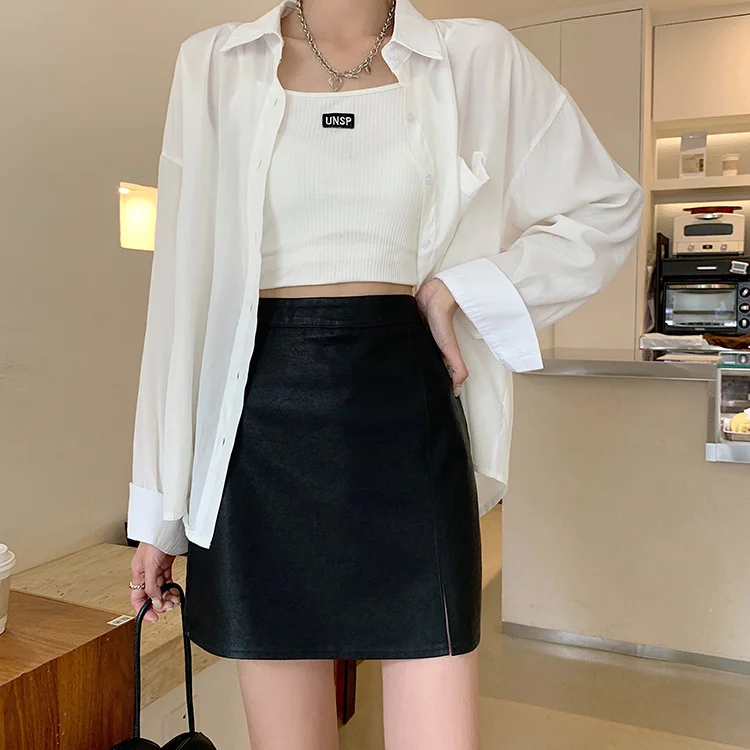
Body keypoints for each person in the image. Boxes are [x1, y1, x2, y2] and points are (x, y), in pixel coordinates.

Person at [125, 0, 644, 747]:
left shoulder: (478, 59)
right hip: (252, 429)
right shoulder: (213, 62)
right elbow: (181, 289)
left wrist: (462, 290)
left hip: (407, 415)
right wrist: (158, 511)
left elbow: (608, 205)